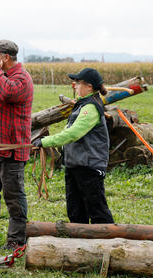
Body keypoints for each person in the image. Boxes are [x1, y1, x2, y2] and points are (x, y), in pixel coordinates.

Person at [33, 68, 114, 224]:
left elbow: (73, 134)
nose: (75, 86)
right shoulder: (83, 104)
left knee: (98, 212)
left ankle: (109, 244)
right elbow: (69, 130)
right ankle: (80, 245)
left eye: (77, 83)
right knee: (75, 211)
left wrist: (45, 141)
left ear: (89, 86)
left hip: (89, 167)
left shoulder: (90, 108)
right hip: (76, 165)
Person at [0, 40, 34, 251]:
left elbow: (7, 93)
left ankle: (16, 240)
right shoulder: (3, 77)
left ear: (5, 58)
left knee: (13, 197)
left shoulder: (21, 78)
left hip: (11, 149)